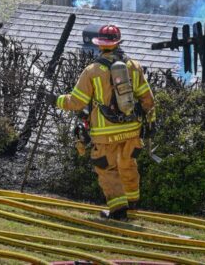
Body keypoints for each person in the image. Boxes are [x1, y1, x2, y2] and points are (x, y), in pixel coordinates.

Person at [54, 24, 156, 219]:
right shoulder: (134, 66)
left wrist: (56, 100)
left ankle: (118, 210)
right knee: (128, 164)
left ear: (99, 45)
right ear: (119, 42)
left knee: (107, 169)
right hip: (131, 130)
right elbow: (148, 100)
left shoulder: (92, 71)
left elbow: (76, 102)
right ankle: (132, 206)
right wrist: (151, 123)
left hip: (105, 133)